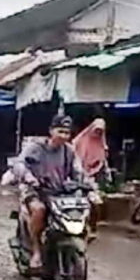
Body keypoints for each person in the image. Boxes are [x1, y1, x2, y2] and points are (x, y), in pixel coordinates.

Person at [14, 114, 87, 270]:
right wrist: (29, 177)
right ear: (51, 131)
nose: (63, 136)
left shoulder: (69, 151)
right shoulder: (35, 147)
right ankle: (36, 251)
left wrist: (85, 184)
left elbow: (78, 171)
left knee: (83, 207)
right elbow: (19, 164)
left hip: (58, 191)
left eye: (67, 133)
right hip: (34, 190)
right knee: (39, 210)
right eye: (60, 131)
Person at [72, 118, 110, 241]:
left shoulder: (101, 146)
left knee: (95, 204)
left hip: (91, 178)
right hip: (75, 176)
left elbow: (102, 163)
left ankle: (93, 228)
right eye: (96, 130)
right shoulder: (79, 141)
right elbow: (72, 156)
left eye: (100, 131)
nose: (97, 134)